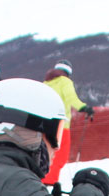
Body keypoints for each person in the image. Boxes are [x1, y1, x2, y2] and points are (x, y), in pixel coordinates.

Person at [41, 59, 95, 189]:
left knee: (45, 154)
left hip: (43, 124)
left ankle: (41, 178)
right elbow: (71, 98)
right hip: (60, 125)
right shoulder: (65, 81)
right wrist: (84, 108)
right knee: (60, 155)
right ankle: (49, 182)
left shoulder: (45, 83)